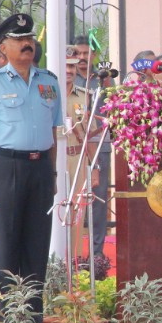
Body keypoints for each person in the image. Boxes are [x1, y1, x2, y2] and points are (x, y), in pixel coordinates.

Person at [0, 14, 62, 323]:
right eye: (19, 40)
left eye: (30, 39)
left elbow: (54, 130)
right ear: (4, 47)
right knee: (8, 244)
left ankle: (32, 319)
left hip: (40, 168)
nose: (28, 45)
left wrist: (51, 174)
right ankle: (9, 320)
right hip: (7, 166)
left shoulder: (48, 82)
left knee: (37, 243)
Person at [70, 36, 111, 258]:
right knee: (73, 197)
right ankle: (72, 254)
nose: (83, 58)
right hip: (74, 146)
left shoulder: (104, 80)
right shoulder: (68, 78)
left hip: (99, 145)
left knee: (98, 201)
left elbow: (111, 113)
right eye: (78, 53)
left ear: (94, 55)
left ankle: (97, 254)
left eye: (87, 53)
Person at [63, 50, 99, 259]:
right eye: (65, 65)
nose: (68, 71)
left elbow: (90, 135)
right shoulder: (49, 93)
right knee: (57, 211)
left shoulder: (84, 95)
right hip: (56, 161)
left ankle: (74, 262)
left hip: (78, 159)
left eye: (72, 66)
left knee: (78, 213)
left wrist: (94, 168)